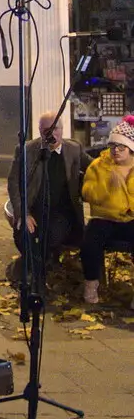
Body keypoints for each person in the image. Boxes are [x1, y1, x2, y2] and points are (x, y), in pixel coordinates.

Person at [6, 111, 86, 275]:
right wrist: (23, 213)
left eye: (55, 129)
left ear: (62, 130)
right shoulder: (27, 150)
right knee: (24, 235)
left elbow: (96, 166)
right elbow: (13, 182)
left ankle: (33, 273)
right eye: (46, 130)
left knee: (51, 237)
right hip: (34, 210)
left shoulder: (74, 149)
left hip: (62, 212)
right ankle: (37, 273)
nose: (51, 134)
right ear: (40, 131)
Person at [80, 119, 134, 305]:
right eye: (113, 146)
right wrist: (107, 187)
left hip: (130, 218)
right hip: (104, 218)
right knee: (90, 242)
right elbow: (87, 193)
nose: (116, 151)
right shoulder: (99, 166)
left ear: (130, 148)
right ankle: (91, 283)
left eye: (121, 147)